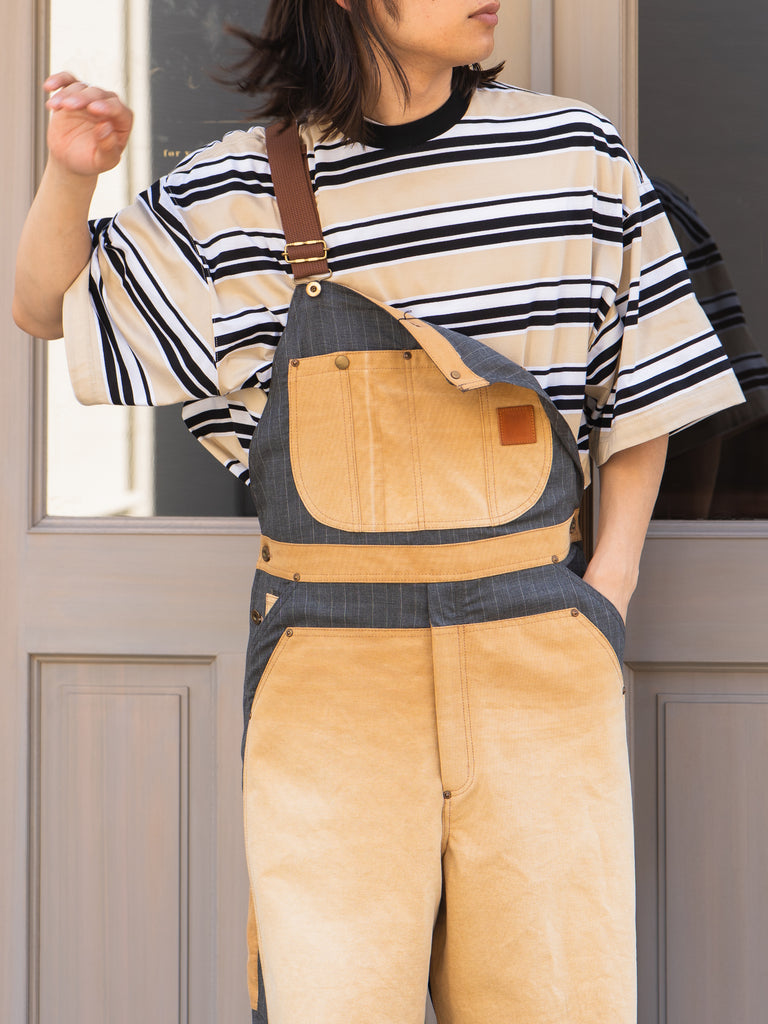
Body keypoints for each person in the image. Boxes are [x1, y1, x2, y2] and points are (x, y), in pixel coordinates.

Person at [14, 2, 744, 1022]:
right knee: (335, 1000)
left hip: (538, 658)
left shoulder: (572, 155)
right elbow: (46, 306)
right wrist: (73, 175)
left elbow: (645, 386)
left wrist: (607, 589)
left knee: (558, 994)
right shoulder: (239, 188)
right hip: (330, 672)